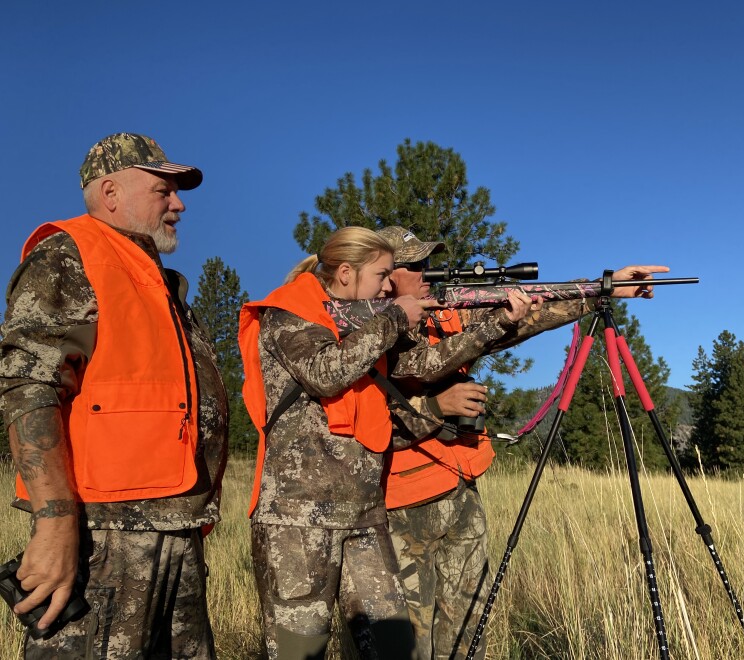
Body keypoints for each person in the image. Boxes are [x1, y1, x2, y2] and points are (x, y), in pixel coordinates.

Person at [375, 226, 668, 660]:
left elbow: (528, 316)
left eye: (427, 263)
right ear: (384, 275)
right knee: (409, 644)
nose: (426, 273)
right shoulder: (369, 330)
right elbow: (367, 416)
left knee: (468, 633)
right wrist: (434, 406)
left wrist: (605, 288)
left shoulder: (442, 315)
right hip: (401, 503)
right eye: (414, 266)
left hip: (459, 490)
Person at [0, 133, 228, 658]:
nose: (179, 203)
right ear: (110, 192)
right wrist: (55, 525)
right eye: (163, 189)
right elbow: (28, 387)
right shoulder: (70, 255)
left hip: (174, 527)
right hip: (106, 536)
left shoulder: (152, 277)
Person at [239, 227, 448, 660]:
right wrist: (393, 319)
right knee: (300, 652)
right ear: (347, 273)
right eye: (383, 274)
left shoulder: (366, 329)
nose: (390, 285)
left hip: (364, 517)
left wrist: (503, 320)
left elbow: (425, 365)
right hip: (296, 522)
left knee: (394, 648)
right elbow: (325, 372)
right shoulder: (287, 313)